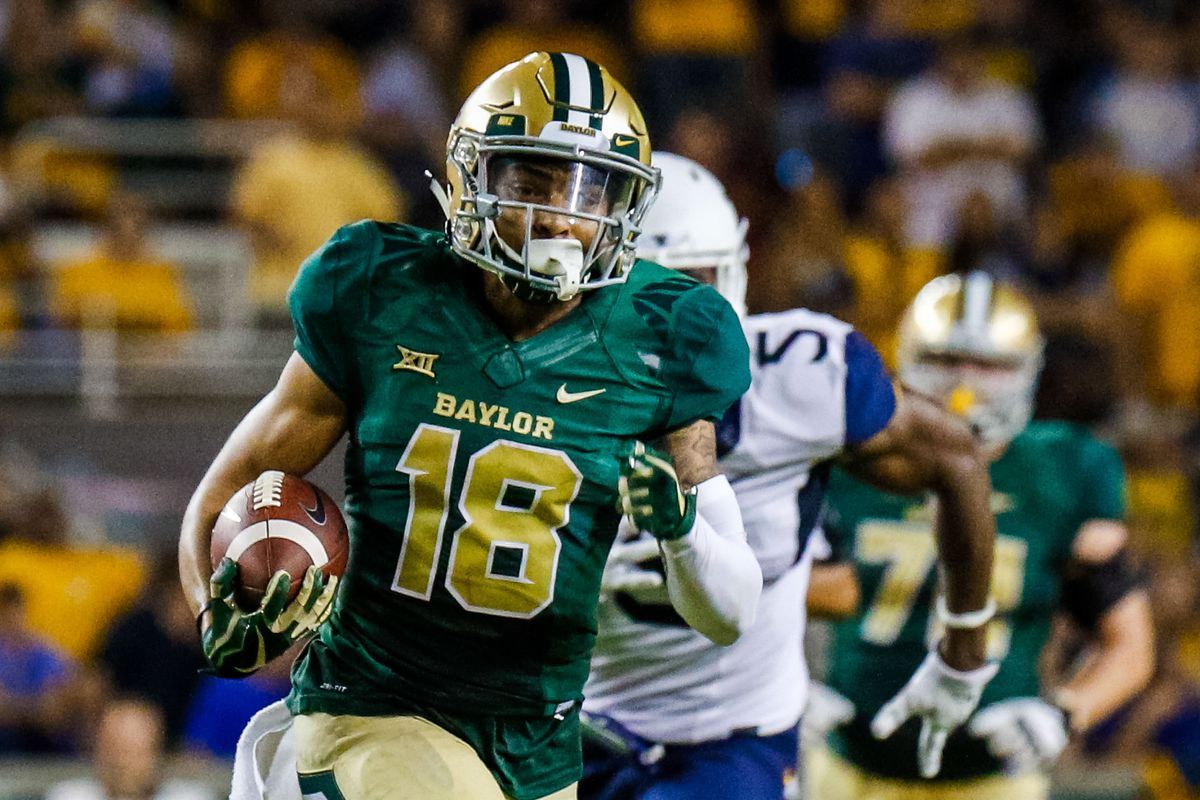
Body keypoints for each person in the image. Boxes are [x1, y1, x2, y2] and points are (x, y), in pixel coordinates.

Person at [181, 52, 763, 800]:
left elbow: (729, 611)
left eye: (590, 189)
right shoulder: (381, 291)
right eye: (532, 182)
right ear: (470, 178)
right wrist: (212, 610)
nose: (560, 215)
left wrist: (681, 530)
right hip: (373, 704)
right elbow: (229, 484)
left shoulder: (666, 335)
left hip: (537, 740)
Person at [580, 153, 1000, 800]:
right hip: (570, 723)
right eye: (645, 292)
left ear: (736, 277)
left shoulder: (801, 379)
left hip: (731, 736)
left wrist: (964, 649)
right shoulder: (543, 387)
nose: (673, 320)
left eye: (693, 286)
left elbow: (957, 458)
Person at [804, 272, 1156, 800]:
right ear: (905, 360)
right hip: (845, 764)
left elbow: (1128, 642)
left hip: (991, 778)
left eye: (989, 366)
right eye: (945, 360)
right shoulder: (847, 456)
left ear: (1028, 371)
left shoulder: (1069, 467)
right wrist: (775, 681)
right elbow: (756, 587)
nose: (964, 386)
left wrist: (1064, 712)